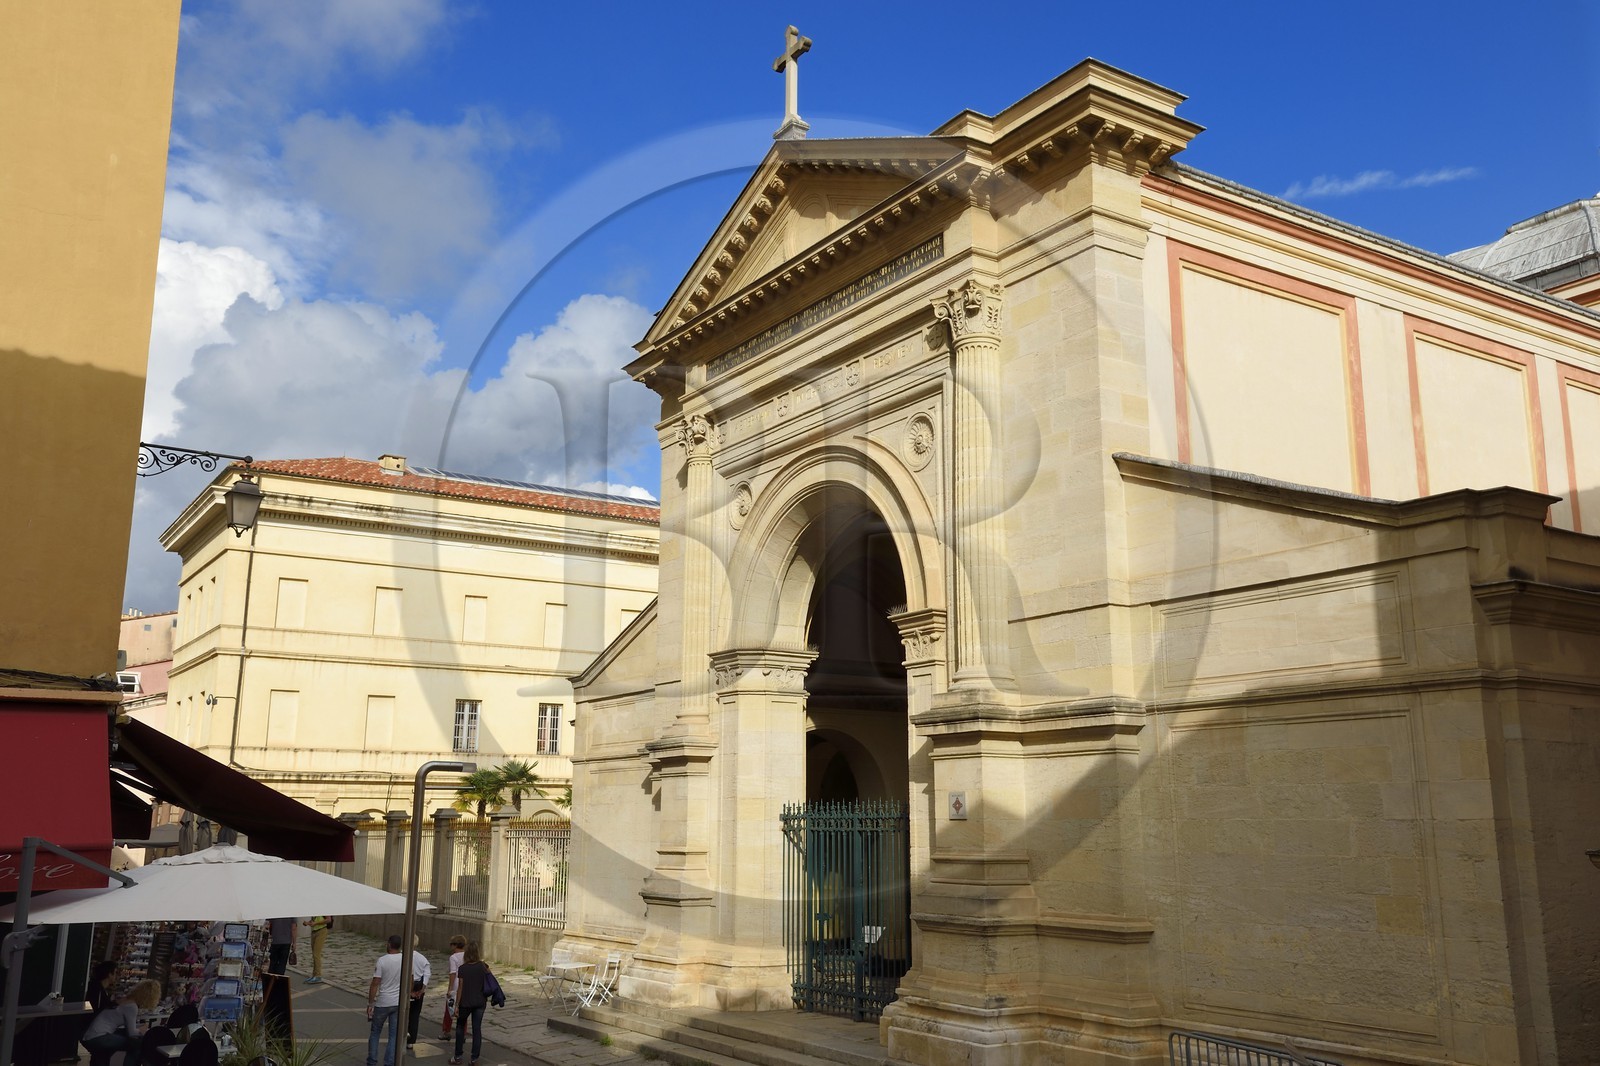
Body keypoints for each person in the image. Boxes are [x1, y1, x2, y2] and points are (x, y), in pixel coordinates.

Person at [81, 978, 160, 1066]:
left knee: (126, 1037)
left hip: (90, 1035)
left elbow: (129, 1027)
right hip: (98, 1038)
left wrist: (139, 1028)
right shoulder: (132, 1007)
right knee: (136, 1045)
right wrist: (143, 1029)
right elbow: (132, 1033)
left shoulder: (126, 1000)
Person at [365, 935, 405, 1066]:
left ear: (389, 944)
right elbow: (410, 980)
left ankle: (372, 1061)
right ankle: (389, 1062)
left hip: (383, 1002)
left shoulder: (382, 961)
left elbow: (375, 983)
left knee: (375, 1032)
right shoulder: (405, 959)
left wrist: (371, 1003)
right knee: (394, 1035)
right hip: (398, 1002)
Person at [448, 943, 490, 1066]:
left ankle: (458, 1056)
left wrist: (456, 1005)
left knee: (460, 1028)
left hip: (465, 1002)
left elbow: (460, 988)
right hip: (480, 1002)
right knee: (477, 1029)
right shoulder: (483, 966)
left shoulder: (463, 969)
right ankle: (474, 1059)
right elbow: (489, 978)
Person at [405, 935, 431, 1050]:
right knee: (415, 1014)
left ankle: (402, 1034)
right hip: (418, 985)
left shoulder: (402, 956)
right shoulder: (422, 958)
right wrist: (422, 990)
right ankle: (411, 1040)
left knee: (403, 1012)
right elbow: (427, 974)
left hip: (406, 985)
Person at [439, 935, 466, 1039]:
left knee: (449, 1009)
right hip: (465, 984)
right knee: (463, 1009)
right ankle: (462, 1033)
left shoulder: (453, 957)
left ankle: (446, 1030)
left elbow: (453, 973)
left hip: (456, 985)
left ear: (455, 945)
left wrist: (449, 988)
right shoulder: (467, 955)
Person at [302, 916, 332, 983]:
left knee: (316, 953)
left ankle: (318, 976)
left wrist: (316, 923)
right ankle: (314, 975)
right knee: (314, 953)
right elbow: (314, 920)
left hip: (321, 930)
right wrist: (308, 923)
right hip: (314, 931)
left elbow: (328, 920)